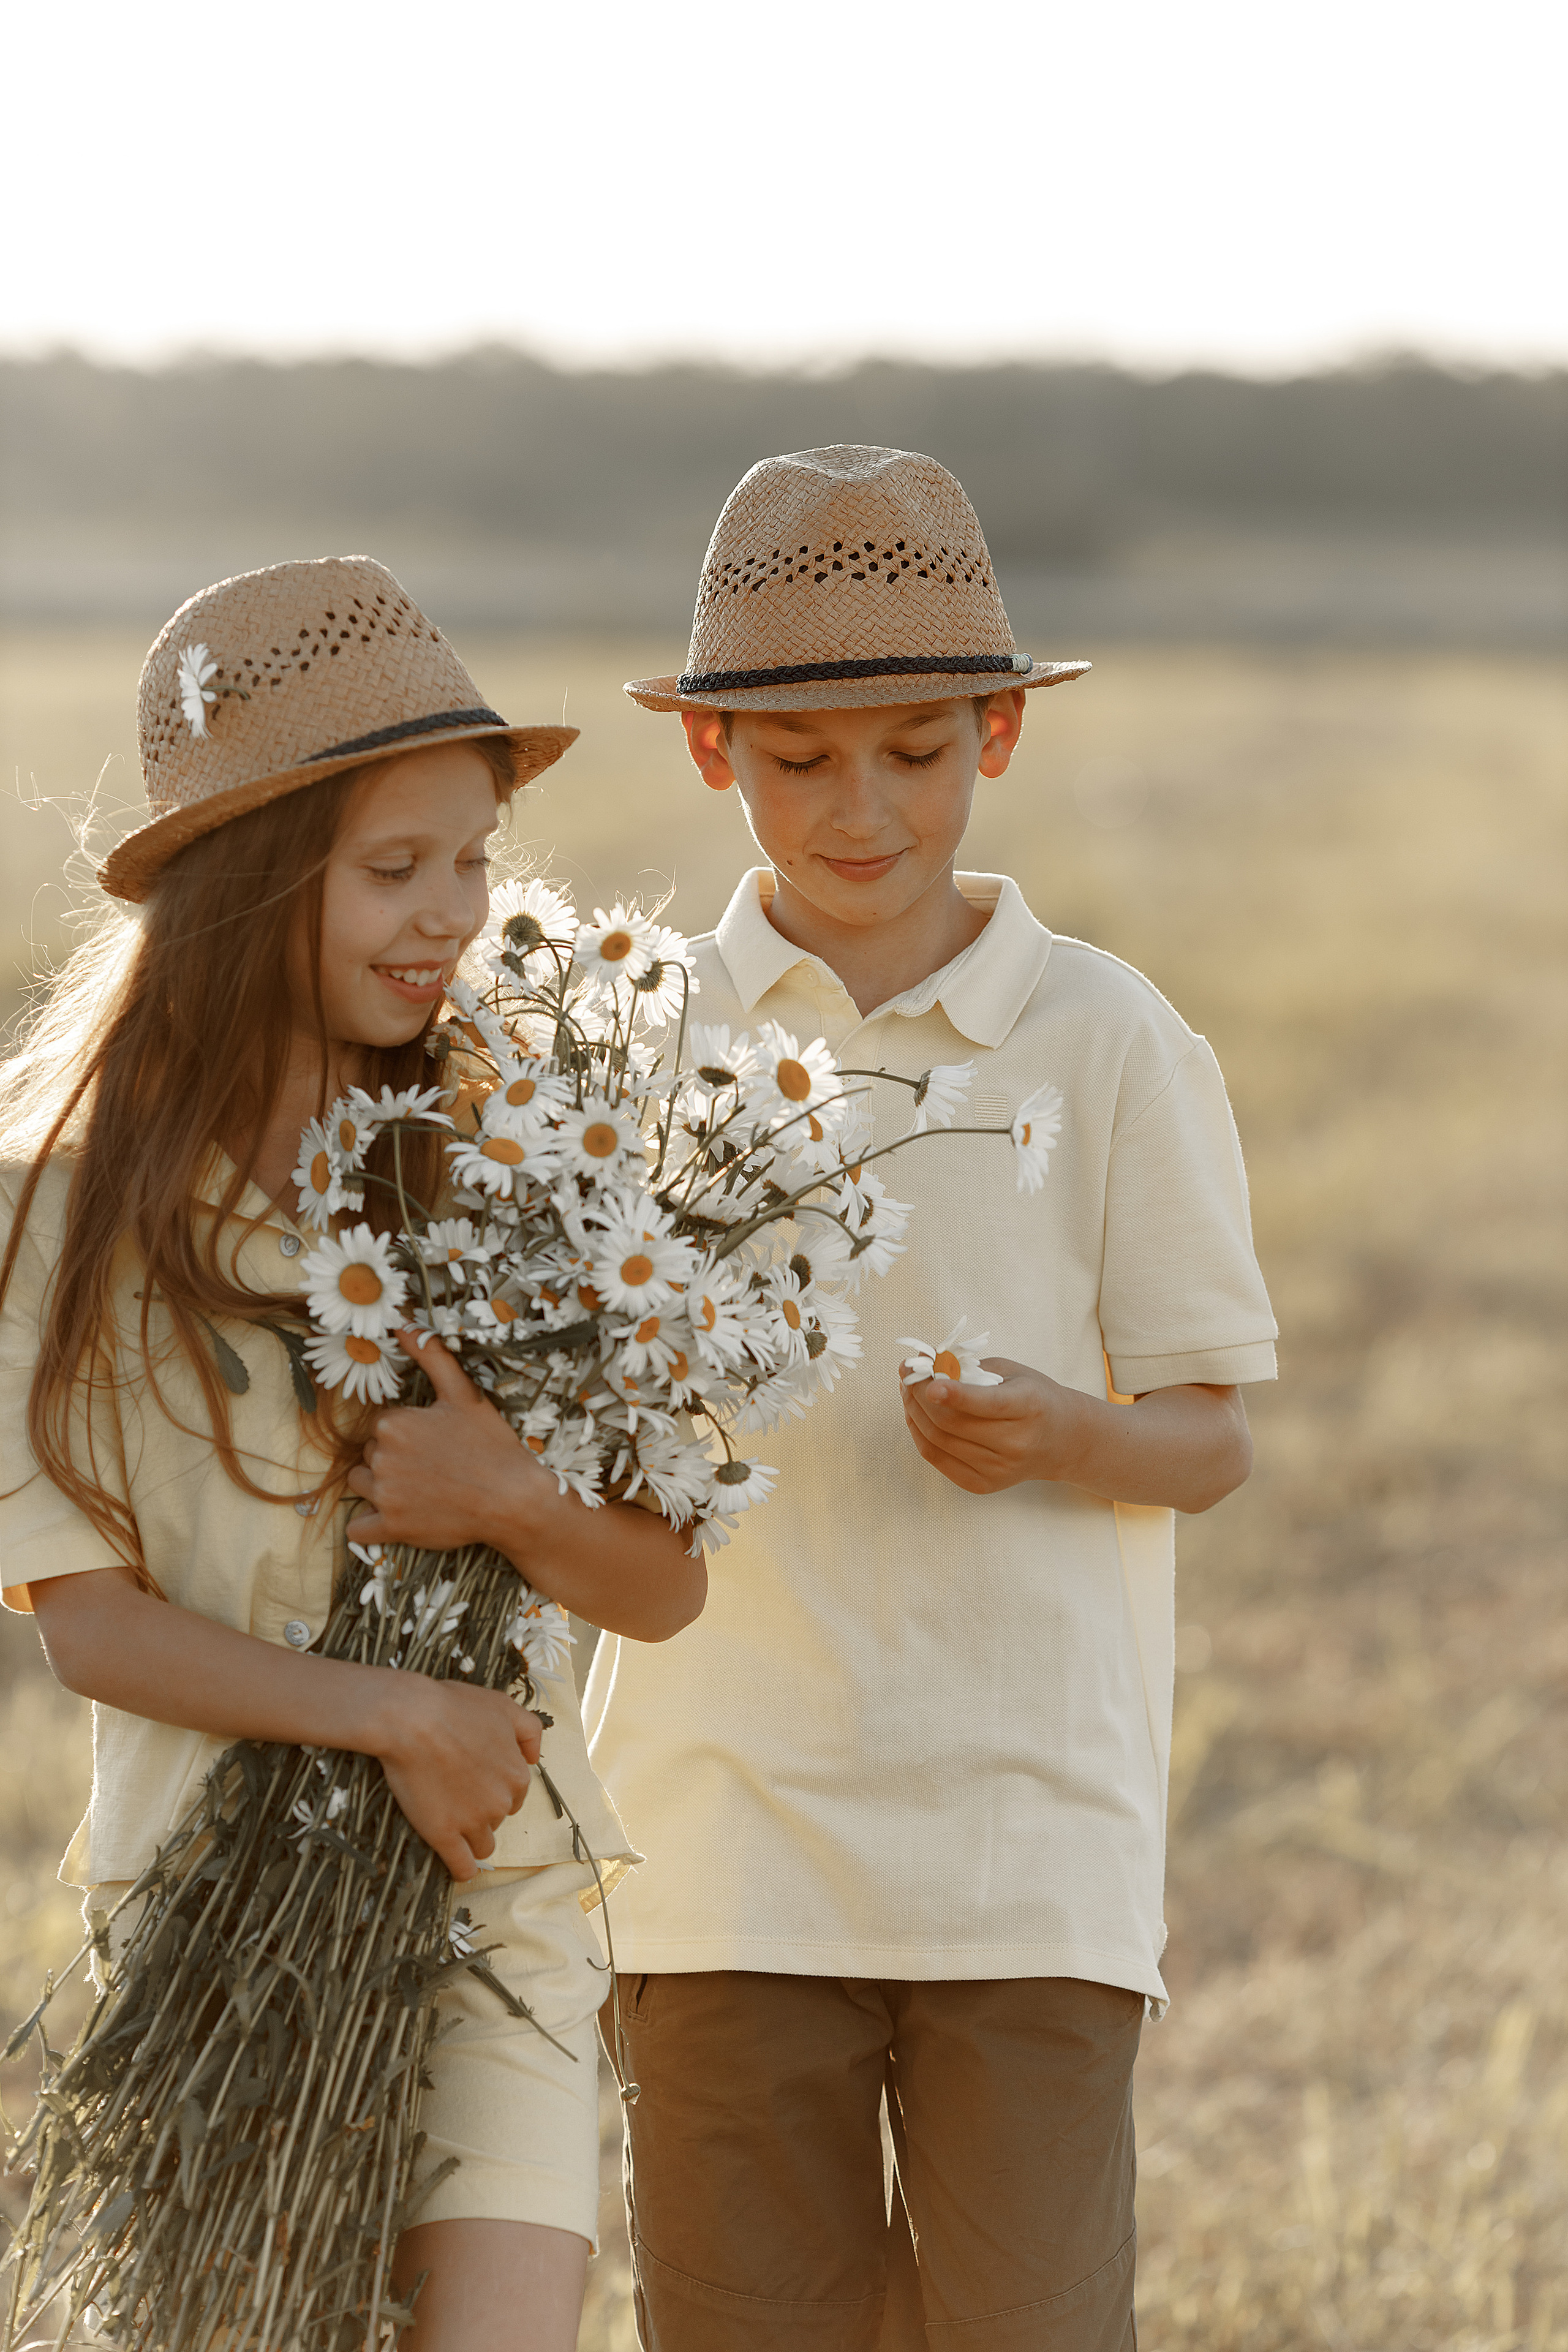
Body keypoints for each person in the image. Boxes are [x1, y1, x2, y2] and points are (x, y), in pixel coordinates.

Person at [587, 446, 1279, 2351]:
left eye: (913, 749)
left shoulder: (1114, 1036)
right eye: (802, 760)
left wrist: (1069, 1432)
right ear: (715, 755)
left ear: (999, 735)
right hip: (710, 1836)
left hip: (1026, 1851)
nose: (863, 805)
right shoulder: (630, 1038)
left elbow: (1209, 1437)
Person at [0, 557, 706, 2352]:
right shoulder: (62, 1212)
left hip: (501, 1897)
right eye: (397, 870)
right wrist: (398, 1713)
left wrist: (510, 1503)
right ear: (247, 893)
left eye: (474, 860)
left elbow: (663, 1580)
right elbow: (88, 1626)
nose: (453, 915)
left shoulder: (522, 1169)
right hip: (211, 1919)